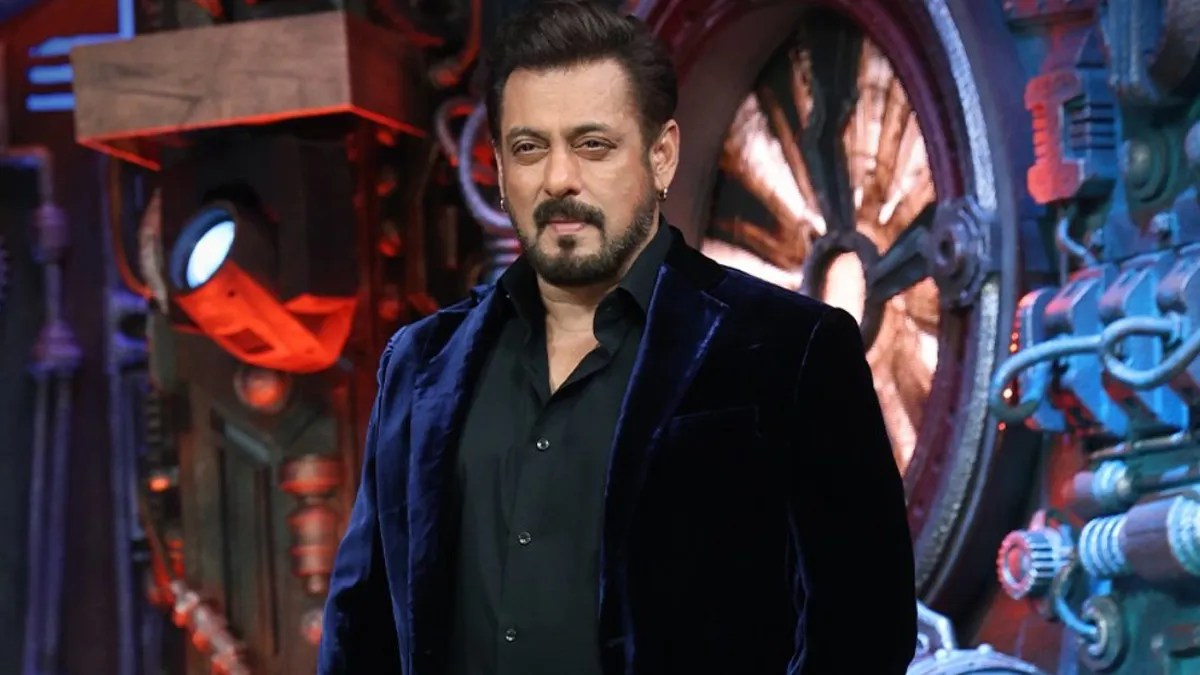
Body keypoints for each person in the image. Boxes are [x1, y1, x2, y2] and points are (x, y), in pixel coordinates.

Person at [318, 1, 917, 674]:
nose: (559, 178)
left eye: (592, 144)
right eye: (529, 147)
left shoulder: (794, 349)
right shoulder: (419, 363)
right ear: (500, 169)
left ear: (662, 156)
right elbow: (359, 631)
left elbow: (864, 632)